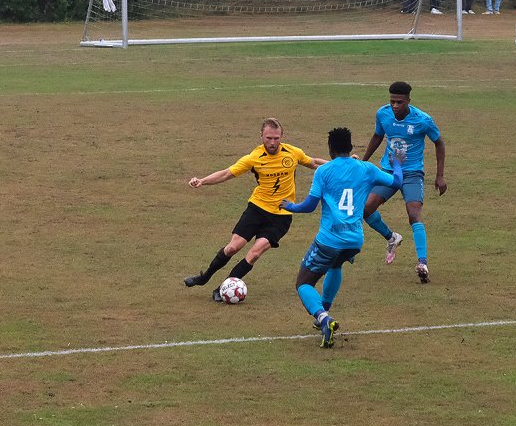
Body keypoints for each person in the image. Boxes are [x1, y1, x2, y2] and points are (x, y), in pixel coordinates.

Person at [281, 129, 404, 348]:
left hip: (329, 239)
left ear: (330, 148)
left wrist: (290, 206)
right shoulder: (366, 169)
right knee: (335, 266)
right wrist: (397, 163)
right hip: (355, 240)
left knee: (303, 283)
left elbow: (309, 206)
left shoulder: (324, 171)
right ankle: (324, 312)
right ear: (351, 147)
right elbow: (396, 182)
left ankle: (323, 318)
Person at [184, 118, 325, 302]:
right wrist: (202, 181)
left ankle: (224, 288)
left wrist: (343, 163)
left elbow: (314, 162)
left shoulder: (293, 153)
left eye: (276, 138)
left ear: (282, 136)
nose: (273, 142)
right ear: (261, 136)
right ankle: (204, 278)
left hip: (281, 216)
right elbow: (226, 173)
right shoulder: (254, 158)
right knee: (232, 247)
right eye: (269, 138)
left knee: (254, 253)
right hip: (257, 209)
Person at [360, 81, 446, 283]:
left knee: (414, 214)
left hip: (412, 173)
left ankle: (422, 263)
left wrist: (440, 176)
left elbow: (439, 143)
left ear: (408, 101)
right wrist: (362, 163)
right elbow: (377, 136)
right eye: (392, 101)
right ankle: (391, 238)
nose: (395, 106)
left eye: (399, 102)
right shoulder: (383, 114)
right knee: (365, 209)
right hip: (388, 171)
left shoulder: (422, 120)